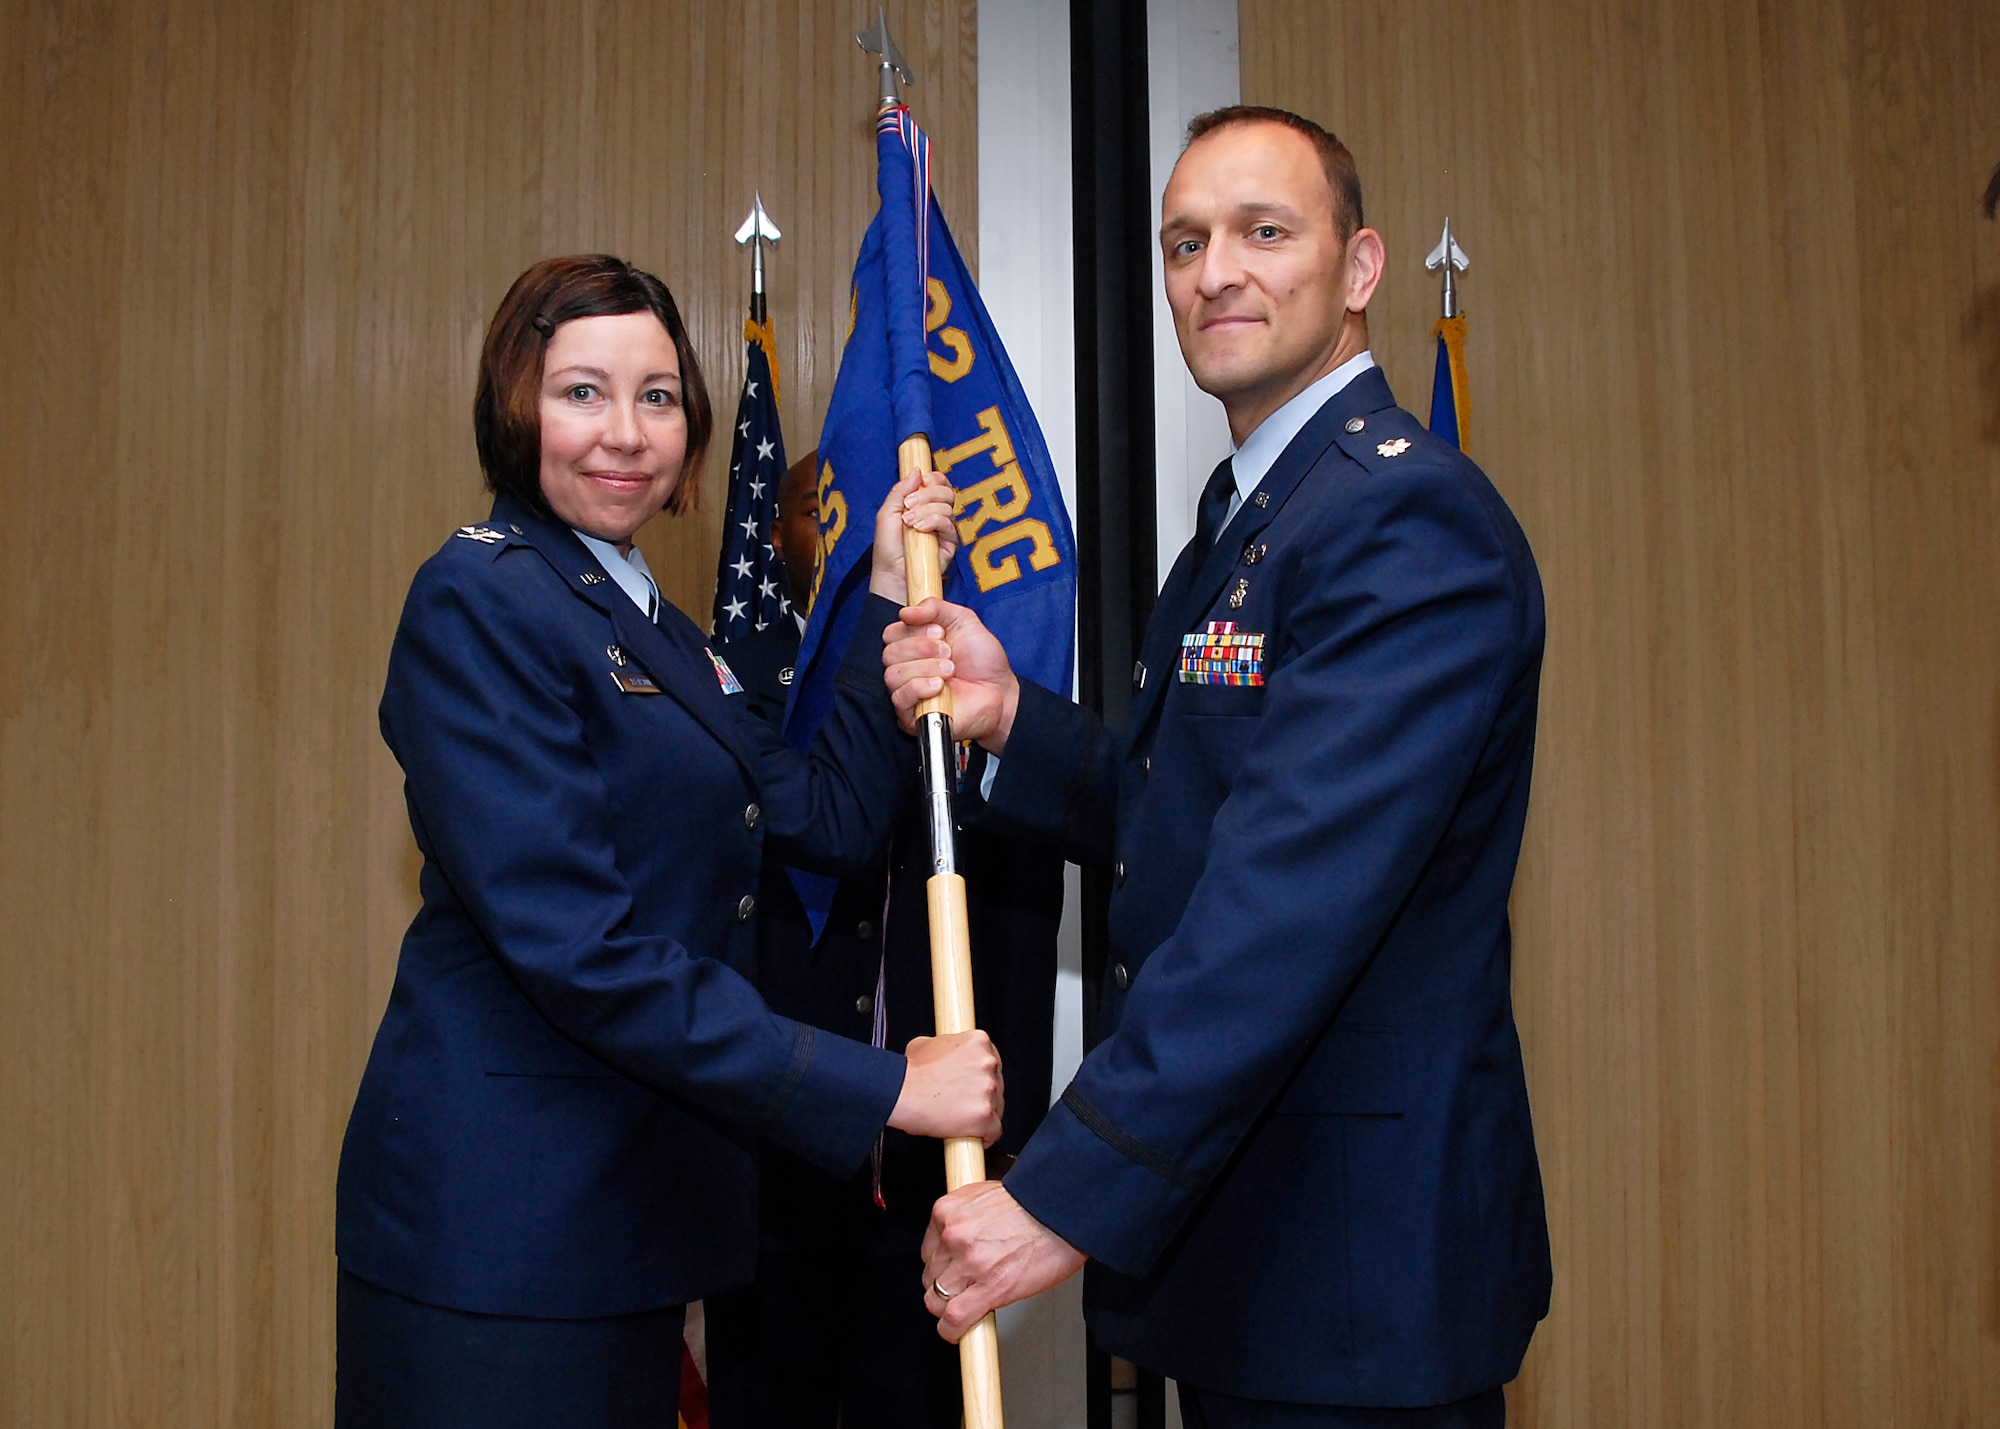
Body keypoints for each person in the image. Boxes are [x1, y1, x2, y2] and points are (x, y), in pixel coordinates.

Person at [884, 108, 1551, 1428]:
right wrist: (1016, 717)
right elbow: (1189, 812)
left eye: (1264, 232)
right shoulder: (1254, 521)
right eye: (1185, 243)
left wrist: (1063, 1189)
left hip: (1350, 1282)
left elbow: (1284, 905)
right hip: (1251, 1258)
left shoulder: (1400, 519)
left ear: (1360, 270)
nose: (1214, 273)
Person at [334, 254, 1004, 1429]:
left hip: (623, 1225)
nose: (624, 432)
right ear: (515, 405)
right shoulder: (481, 600)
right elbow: (581, 950)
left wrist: (888, 593)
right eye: (581, 391)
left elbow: (824, 815)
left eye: (655, 396)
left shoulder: (657, 625)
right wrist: (885, 1086)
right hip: (501, 1237)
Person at [705, 451, 1063, 1429]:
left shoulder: (975, 692)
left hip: (935, 1189)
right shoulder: (747, 703)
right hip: (781, 1174)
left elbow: (1026, 918)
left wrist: (1014, 1152)